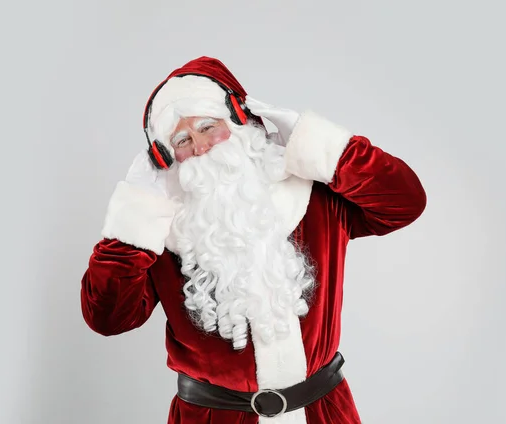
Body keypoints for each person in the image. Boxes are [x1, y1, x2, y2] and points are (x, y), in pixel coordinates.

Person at [80, 56, 426, 424]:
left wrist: (312, 142)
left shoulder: (311, 197)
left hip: (323, 412)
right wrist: (136, 212)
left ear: (239, 120)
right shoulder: (162, 233)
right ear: (168, 158)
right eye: (182, 139)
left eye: (208, 126)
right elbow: (108, 317)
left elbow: (404, 201)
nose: (201, 147)